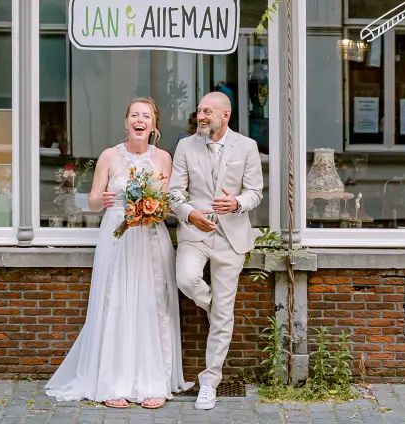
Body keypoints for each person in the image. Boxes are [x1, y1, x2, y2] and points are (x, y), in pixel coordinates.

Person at [44, 98, 190, 409]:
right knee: (117, 303)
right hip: (118, 236)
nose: (140, 120)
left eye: (146, 116)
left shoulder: (164, 158)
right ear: (126, 123)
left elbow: (168, 205)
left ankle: (154, 381)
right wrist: (104, 198)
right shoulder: (110, 156)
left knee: (152, 305)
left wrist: (155, 208)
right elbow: (93, 201)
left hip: (151, 238)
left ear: (154, 125)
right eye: (135, 115)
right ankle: (112, 381)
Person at [169, 91, 264, 410]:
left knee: (224, 313)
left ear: (226, 115)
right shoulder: (185, 146)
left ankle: (210, 382)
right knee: (186, 279)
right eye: (199, 111)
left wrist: (237, 203)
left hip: (231, 238)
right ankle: (217, 308)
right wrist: (190, 214)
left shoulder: (247, 147)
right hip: (195, 232)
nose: (201, 116)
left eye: (208, 111)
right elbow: (173, 194)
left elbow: (255, 193)